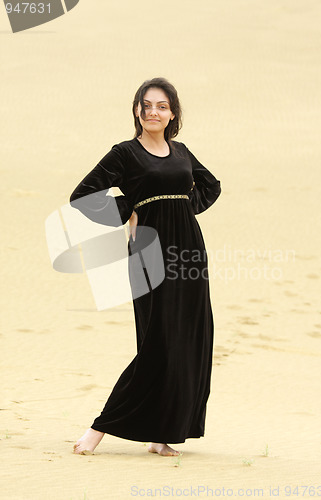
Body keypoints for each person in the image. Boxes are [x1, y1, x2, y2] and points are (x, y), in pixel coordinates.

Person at [70, 77, 221, 457]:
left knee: (188, 341)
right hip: (148, 250)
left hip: (188, 251)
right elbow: (82, 197)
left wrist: (183, 209)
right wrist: (130, 210)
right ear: (137, 110)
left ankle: (162, 434)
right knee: (158, 341)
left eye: (163, 106)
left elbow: (210, 186)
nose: (154, 112)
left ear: (173, 114)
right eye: (147, 105)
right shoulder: (124, 153)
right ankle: (98, 429)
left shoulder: (181, 151)